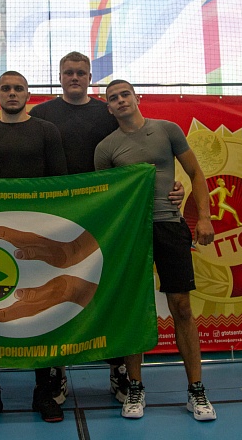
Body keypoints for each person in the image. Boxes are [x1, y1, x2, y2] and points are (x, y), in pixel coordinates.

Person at [29, 51, 184, 404]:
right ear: (59, 76)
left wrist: (172, 185)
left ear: (89, 77)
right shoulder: (41, 114)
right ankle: (55, 370)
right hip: (56, 219)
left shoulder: (108, 112)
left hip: (109, 218)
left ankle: (118, 368)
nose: (74, 77)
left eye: (81, 72)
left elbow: (136, 153)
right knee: (57, 292)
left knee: (110, 291)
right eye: (68, 72)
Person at [94, 79, 217, 422]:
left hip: (169, 226)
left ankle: (196, 390)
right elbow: (105, 197)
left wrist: (203, 217)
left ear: (136, 98)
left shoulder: (167, 130)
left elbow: (195, 173)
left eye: (125, 94)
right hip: (131, 234)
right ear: (109, 108)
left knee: (182, 307)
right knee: (135, 310)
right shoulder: (105, 148)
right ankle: (134, 387)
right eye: (113, 98)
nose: (120, 100)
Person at [0, 71, 68, 424]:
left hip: (38, 234)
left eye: (18, 88)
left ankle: (44, 392)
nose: (12, 93)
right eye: (5, 88)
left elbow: (61, 184)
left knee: (39, 307)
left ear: (28, 94)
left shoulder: (47, 131)